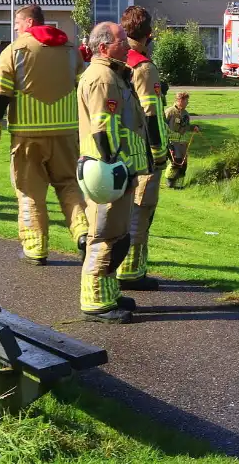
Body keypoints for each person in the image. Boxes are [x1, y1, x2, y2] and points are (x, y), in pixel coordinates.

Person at [0, 4, 87, 265]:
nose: (15, 29)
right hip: (65, 133)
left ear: (28, 22)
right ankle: (84, 233)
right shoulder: (71, 50)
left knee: (30, 192)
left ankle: (35, 248)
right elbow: (83, 87)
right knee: (69, 185)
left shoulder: (14, 51)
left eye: (17, 25)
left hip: (27, 135)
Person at [76, 21, 151, 323]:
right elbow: (103, 129)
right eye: (122, 40)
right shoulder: (102, 78)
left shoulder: (113, 74)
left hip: (117, 171)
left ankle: (109, 293)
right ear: (105, 46)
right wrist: (116, 168)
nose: (128, 44)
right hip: (108, 174)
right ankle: (96, 302)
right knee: (105, 235)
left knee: (117, 234)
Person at [117, 6, 167, 291]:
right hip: (142, 152)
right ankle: (131, 272)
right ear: (149, 34)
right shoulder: (144, 68)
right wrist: (159, 153)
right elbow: (152, 113)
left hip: (116, 148)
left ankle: (115, 266)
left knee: (118, 212)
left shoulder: (114, 60)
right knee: (141, 210)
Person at [163, 91, 198, 189]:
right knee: (176, 162)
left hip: (182, 143)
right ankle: (170, 181)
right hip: (171, 142)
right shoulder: (170, 111)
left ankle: (179, 184)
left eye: (187, 101)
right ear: (179, 100)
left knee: (184, 164)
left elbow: (186, 126)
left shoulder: (186, 113)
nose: (187, 103)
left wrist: (193, 127)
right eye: (186, 101)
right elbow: (162, 126)